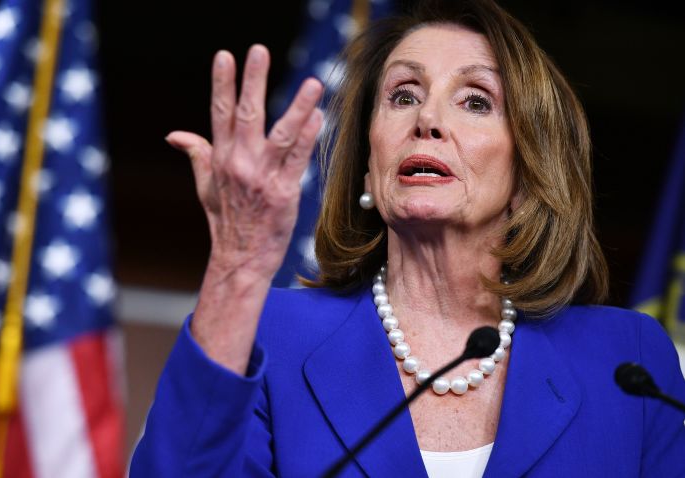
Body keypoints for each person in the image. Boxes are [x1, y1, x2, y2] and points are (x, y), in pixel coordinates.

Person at [130, 0, 685, 476]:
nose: (427, 119)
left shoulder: (626, 362)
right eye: (402, 95)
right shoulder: (266, 333)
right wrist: (238, 267)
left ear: (528, 172)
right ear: (369, 169)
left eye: (475, 100)